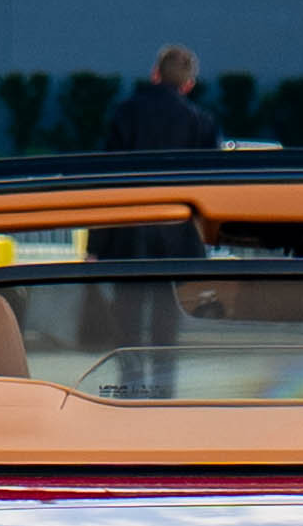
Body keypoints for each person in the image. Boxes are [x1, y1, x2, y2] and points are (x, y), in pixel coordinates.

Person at [89, 45, 214, 391]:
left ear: (154, 74)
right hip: (177, 243)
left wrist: (95, 244)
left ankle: (130, 391)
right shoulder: (200, 122)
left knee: (127, 326)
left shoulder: (125, 114)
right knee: (166, 327)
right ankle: (163, 394)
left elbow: (105, 183)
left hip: (127, 239)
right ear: (188, 84)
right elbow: (213, 189)